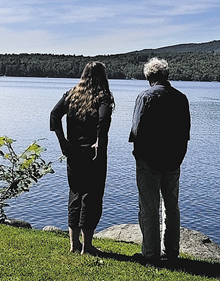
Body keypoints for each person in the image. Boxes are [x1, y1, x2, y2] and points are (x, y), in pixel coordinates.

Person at [129, 57, 191, 264]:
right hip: (174, 160)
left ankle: (151, 254)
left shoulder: (145, 97)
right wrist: (179, 156)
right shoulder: (181, 98)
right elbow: (185, 132)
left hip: (149, 161)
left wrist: (138, 153)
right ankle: (172, 251)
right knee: (171, 207)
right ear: (166, 76)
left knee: (149, 207)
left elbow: (136, 131)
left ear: (148, 77)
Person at [50, 61, 114, 254]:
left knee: (75, 194)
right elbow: (103, 118)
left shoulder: (72, 94)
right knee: (92, 196)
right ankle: (87, 246)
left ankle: (74, 245)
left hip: (74, 152)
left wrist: (63, 142)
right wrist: (99, 141)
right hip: (94, 154)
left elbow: (54, 115)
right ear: (102, 77)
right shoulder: (103, 96)